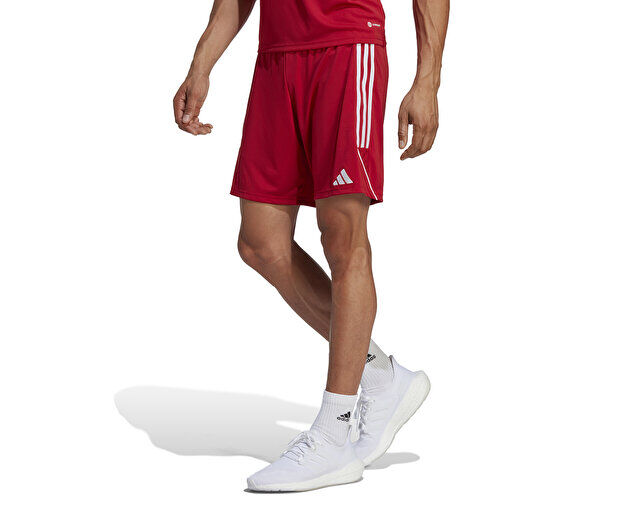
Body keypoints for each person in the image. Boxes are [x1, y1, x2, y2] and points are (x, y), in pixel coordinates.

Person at [173, 0, 449, 492]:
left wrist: (427, 80)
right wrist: (202, 64)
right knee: (260, 243)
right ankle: (381, 376)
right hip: (277, 57)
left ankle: (334, 436)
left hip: (348, 46)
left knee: (342, 238)